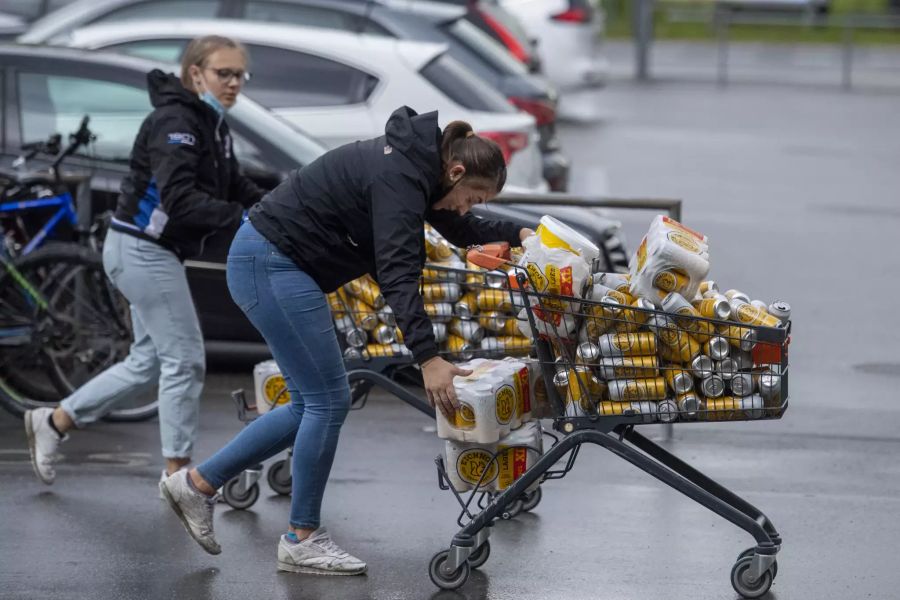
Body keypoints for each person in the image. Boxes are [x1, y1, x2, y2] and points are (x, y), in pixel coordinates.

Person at [159, 105, 533, 574]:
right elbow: (398, 274)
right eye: (473, 195)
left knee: (309, 403)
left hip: (271, 261)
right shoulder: (400, 177)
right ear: (455, 171)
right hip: (273, 263)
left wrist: (520, 232)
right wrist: (429, 358)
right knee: (327, 401)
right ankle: (302, 537)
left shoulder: (417, 169)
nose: (469, 206)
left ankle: (196, 485)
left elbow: (460, 228)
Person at [24, 36, 265, 487]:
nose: (233, 84)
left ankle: (53, 422)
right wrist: (247, 216)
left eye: (239, 75)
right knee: (186, 360)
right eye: (223, 74)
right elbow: (181, 202)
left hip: (154, 252)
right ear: (196, 74)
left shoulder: (213, 124)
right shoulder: (175, 122)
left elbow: (236, 185)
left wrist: (277, 208)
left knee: (148, 362)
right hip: (141, 249)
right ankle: (177, 474)